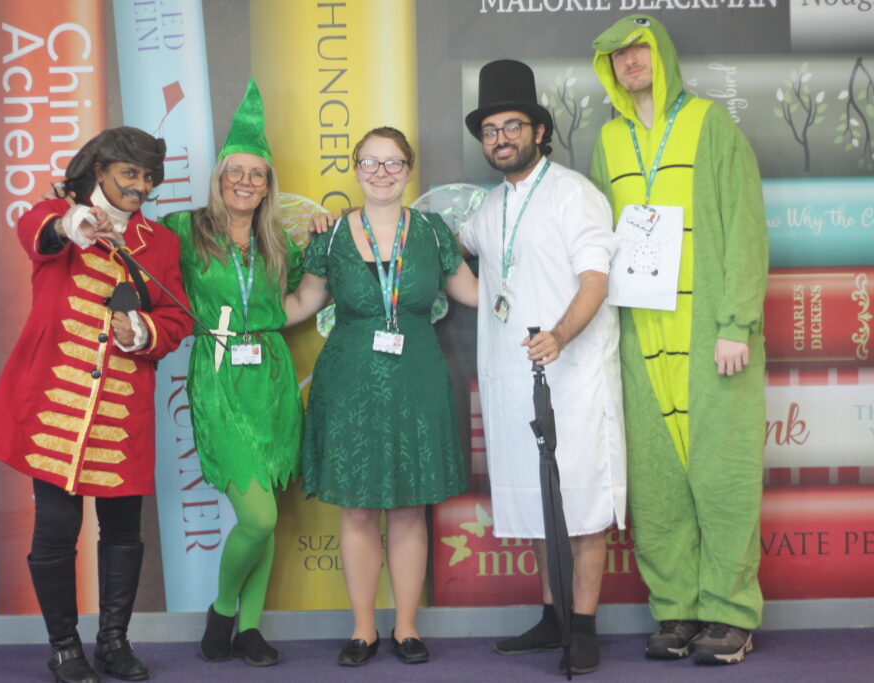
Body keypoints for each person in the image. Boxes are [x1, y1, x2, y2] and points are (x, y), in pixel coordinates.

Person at [0, 127, 193, 683]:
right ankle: (64, 647)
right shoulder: (59, 216)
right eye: (129, 173)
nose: (141, 185)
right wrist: (73, 224)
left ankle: (113, 641)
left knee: (122, 531)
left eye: (148, 176)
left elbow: (177, 319)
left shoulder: (159, 243)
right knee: (56, 529)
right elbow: (38, 233)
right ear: (99, 170)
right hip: (56, 413)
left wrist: (140, 329)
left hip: (121, 414)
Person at [590, 15, 768, 665]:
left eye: (640, 49)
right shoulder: (607, 141)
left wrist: (735, 322)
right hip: (639, 338)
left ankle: (730, 612)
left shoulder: (711, 124)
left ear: (660, 55)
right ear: (607, 69)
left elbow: (746, 222)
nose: (632, 61)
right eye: (619, 55)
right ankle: (678, 610)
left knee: (723, 479)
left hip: (711, 337)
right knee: (658, 487)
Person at [285, 126, 478, 667]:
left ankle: (408, 628)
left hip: (417, 376)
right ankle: (364, 629)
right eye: (370, 162)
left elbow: (470, 291)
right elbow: (302, 301)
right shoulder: (331, 235)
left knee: (411, 508)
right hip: (348, 382)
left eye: (393, 163)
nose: (382, 173)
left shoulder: (435, 232)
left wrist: (546, 288)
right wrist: (237, 316)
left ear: (409, 168)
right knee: (358, 512)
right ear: (356, 168)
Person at [460, 60, 625, 676]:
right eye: (491, 130)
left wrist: (558, 335)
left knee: (578, 500)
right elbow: (457, 245)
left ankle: (582, 627)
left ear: (538, 130)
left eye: (512, 126)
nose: (501, 138)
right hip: (511, 382)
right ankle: (552, 615)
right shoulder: (489, 206)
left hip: (574, 377)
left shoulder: (574, 193)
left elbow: (595, 280)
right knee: (534, 497)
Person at [158, 79, 301, 668]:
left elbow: (297, 300)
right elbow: (135, 253)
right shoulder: (185, 230)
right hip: (218, 377)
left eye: (257, 174)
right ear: (219, 179)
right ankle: (222, 611)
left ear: (268, 185)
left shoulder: (276, 242)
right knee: (258, 515)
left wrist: (319, 233)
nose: (246, 182)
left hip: (270, 375)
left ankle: (248, 629)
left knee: (265, 509)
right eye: (235, 172)